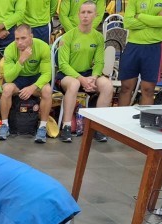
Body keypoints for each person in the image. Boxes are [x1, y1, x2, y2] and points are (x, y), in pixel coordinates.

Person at [56, 1, 112, 143]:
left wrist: (93, 77)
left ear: (95, 15)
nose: (85, 16)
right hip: (67, 75)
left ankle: (98, 127)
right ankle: (66, 126)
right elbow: (62, 64)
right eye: (83, 12)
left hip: (88, 75)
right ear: (78, 15)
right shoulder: (68, 36)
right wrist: (82, 79)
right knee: (74, 84)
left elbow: (99, 62)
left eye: (89, 12)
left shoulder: (98, 37)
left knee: (107, 85)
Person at [118, 0, 162, 106]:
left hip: (155, 47)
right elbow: (127, 22)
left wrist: (139, 16)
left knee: (148, 89)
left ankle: (144, 121)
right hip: (133, 45)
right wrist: (156, 17)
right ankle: (119, 120)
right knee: (125, 87)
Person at [0, 24, 53, 143]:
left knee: (47, 90)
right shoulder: (10, 49)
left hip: (35, 78)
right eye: (17, 39)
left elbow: (47, 74)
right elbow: (8, 77)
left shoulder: (43, 47)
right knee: (7, 89)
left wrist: (33, 87)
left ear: (31, 37)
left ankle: (42, 127)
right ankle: (4, 125)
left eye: (23, 38)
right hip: (18, 78)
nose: (20, 42)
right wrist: (21, 60)